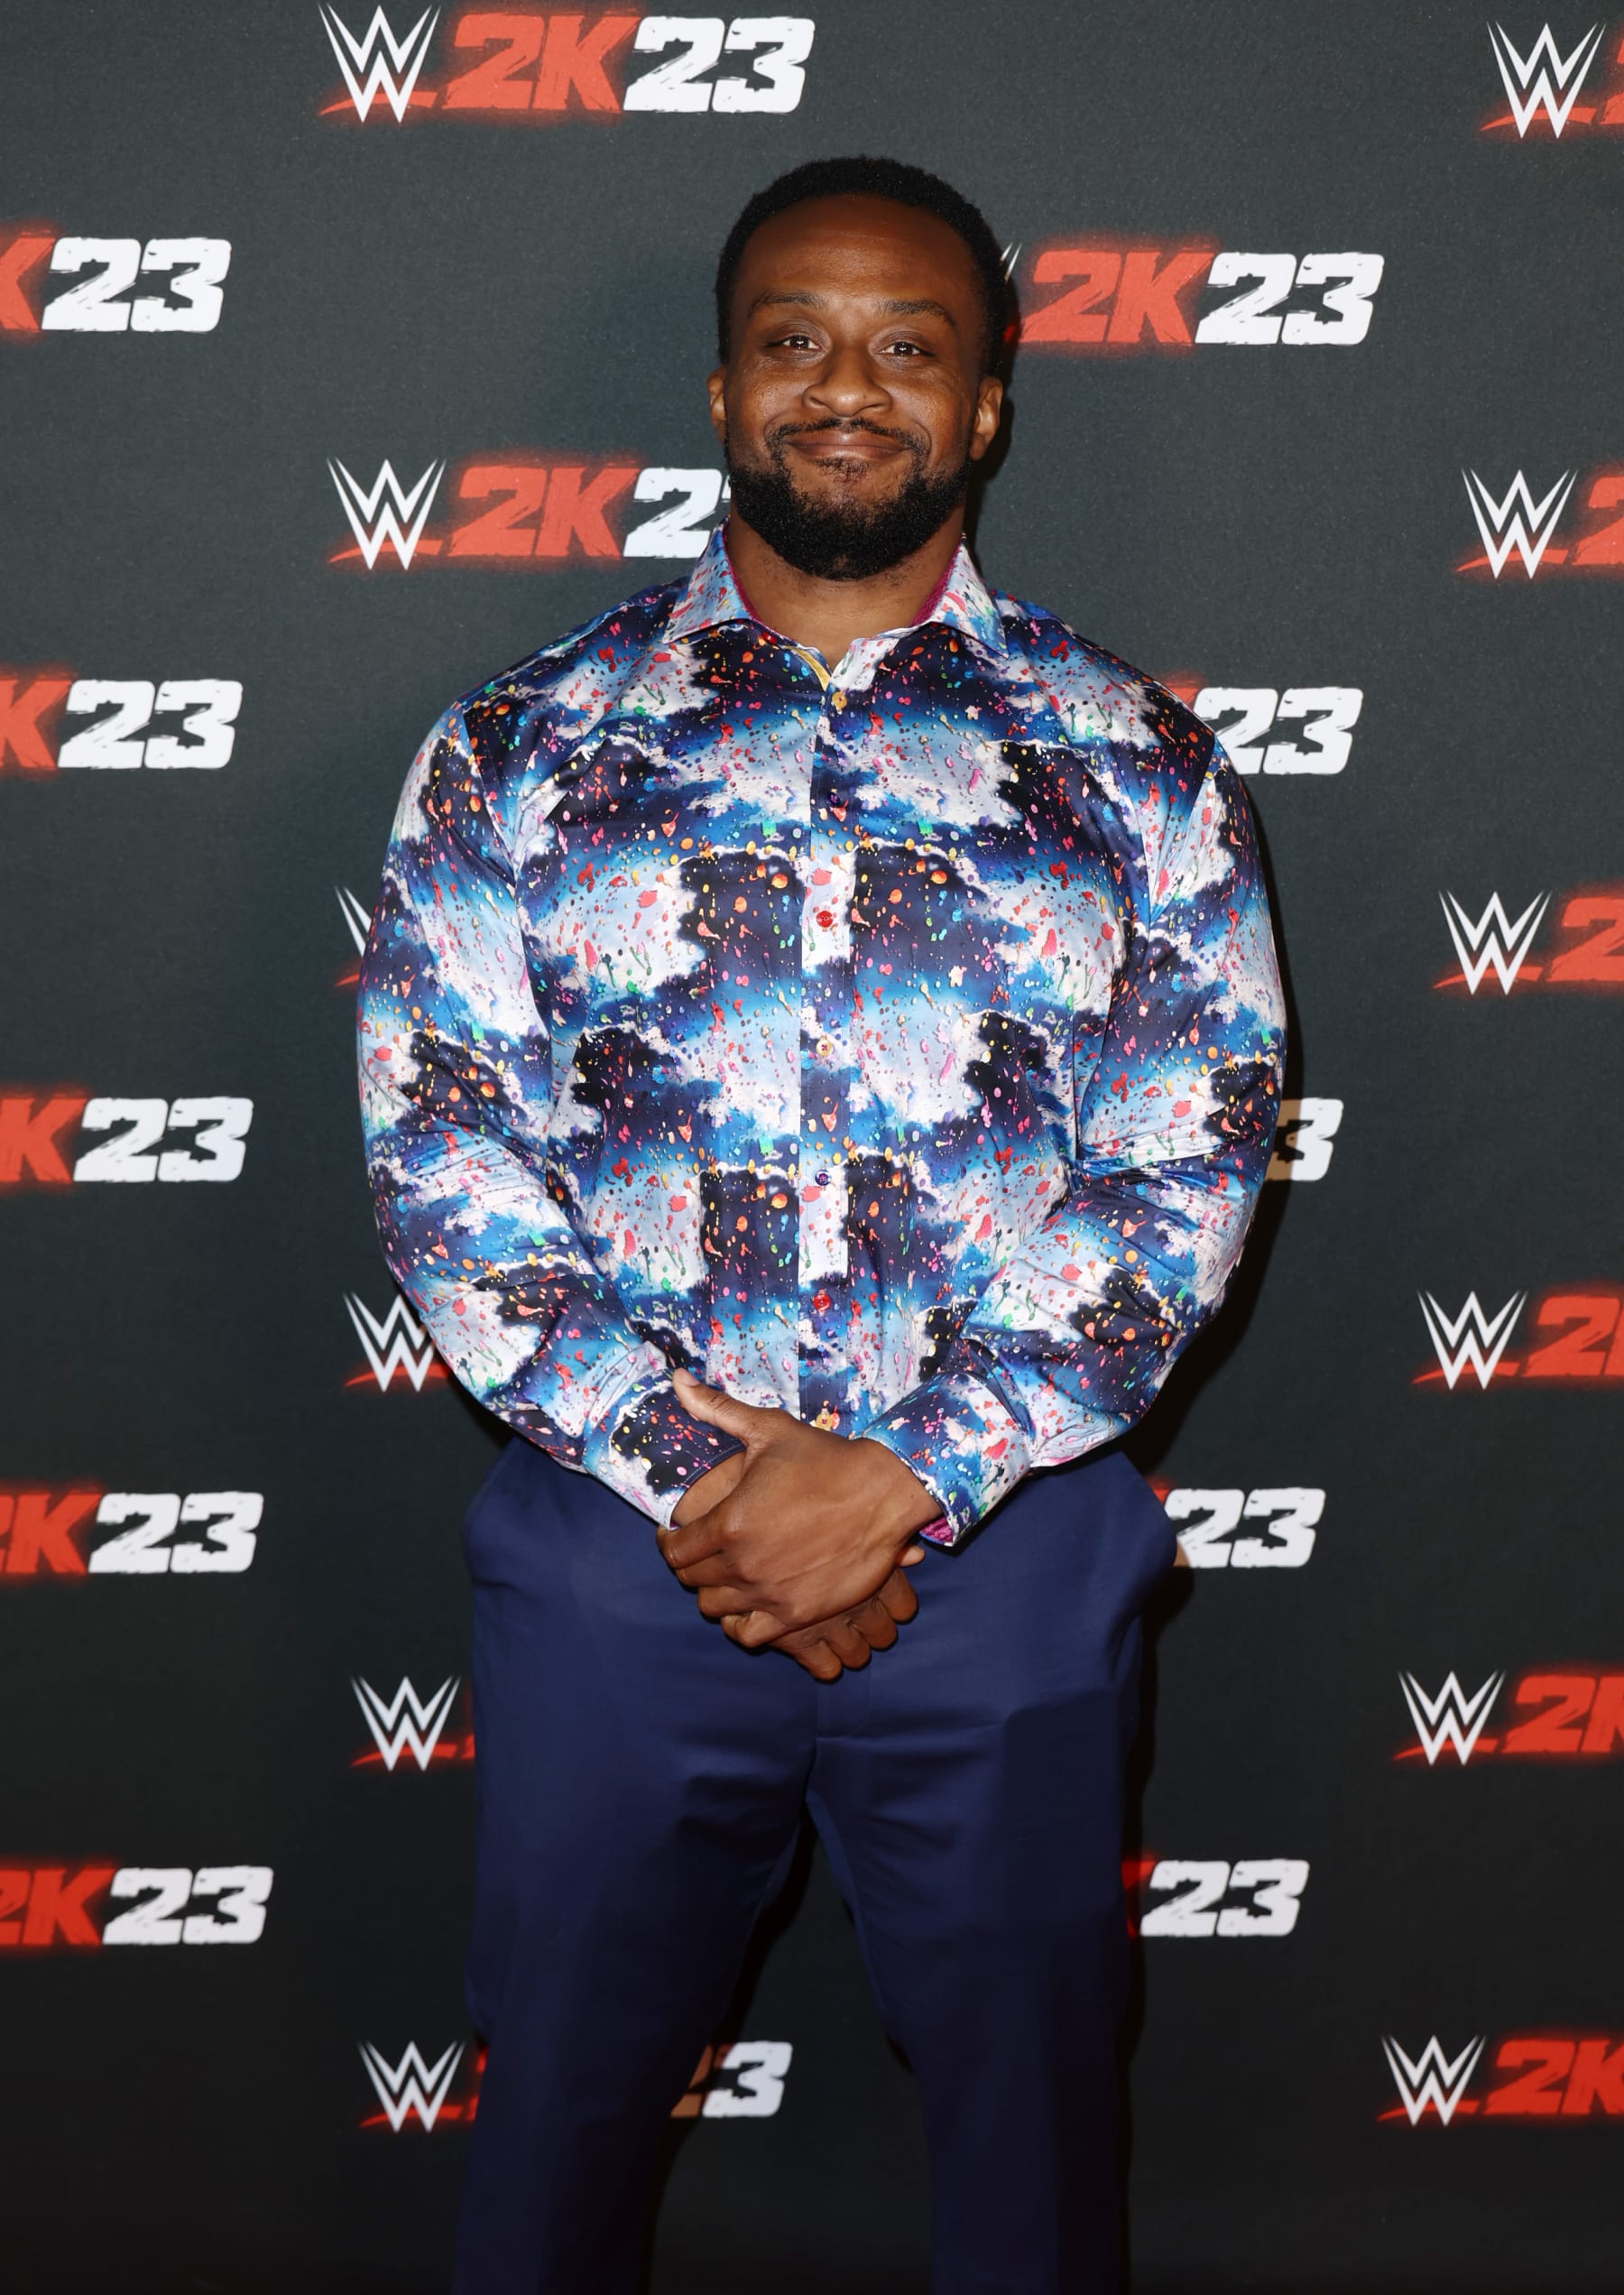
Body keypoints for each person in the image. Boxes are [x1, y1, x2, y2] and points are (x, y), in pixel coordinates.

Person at [358, 153, 1285, 2294]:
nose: (843, 386)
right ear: (716, 389)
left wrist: (909, 1479)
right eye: (795, 340)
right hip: (621, 1551)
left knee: (1034, 2146)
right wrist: (722, 1485)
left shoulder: (1135, 763)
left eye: (906, 346)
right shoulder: (520, 747)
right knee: (554, 2130)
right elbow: (447, 1155)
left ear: (983, 412)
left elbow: (1185, 1162)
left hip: (1008, 1555)